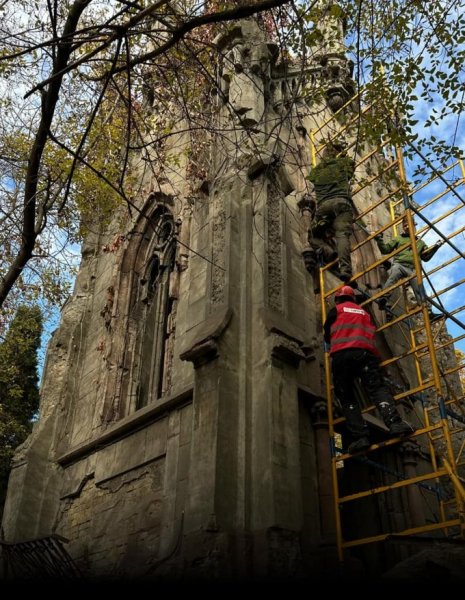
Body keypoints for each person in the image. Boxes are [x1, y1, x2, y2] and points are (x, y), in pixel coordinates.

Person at [324, 285, 415, 453]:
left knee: (346, 396)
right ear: (352, 299)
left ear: (338, 299)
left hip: (342, 356)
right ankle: (395, 423)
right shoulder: (364, 313)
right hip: (365, 355)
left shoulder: (335, 310)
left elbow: (327, 334)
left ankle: (360, 437)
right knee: (377, 388)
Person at [375, 216, 444, 321]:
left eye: (408, 225)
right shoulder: (399, 238)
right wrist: (379, 240)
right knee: (393, 277)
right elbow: (385, 250)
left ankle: (428, 313)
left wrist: (436, 247)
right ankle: (383, 298)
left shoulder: (420, 242)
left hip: (412, 268)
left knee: (419, 289)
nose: (406, 227)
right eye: (405, 225)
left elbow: (426, 257)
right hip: (399, 264)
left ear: (414, 226)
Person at [307, 142, 356, 282]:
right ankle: (346, 270)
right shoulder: (343, 165)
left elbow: (312, 179)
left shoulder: (316, 171)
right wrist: (344, 156)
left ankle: (329, 252)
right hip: (342, 203)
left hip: (324, 207)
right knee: (342, 235)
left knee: (313, 235)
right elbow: (351, 167)